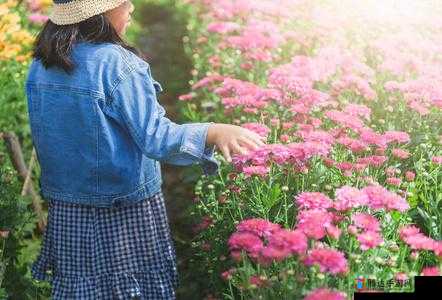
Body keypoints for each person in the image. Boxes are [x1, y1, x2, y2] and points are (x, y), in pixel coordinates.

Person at [25, 0, 266, 299]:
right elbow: (156, 137)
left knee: (80, 287)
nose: (131, 8)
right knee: (131, 288)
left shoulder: (41, 65)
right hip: (122, 209)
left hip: (67, 207)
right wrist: (213, 131)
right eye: (123, 2)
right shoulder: (118, 65)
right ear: (98, 13)